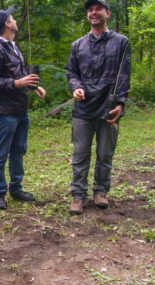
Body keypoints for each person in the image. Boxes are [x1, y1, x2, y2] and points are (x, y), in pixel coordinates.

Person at [66, 0, 130, 215]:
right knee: (80, 153)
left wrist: (120, 103)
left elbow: (124, 74)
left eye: (98, 9)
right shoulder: (78, 45)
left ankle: (101, 192)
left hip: (109, 107)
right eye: (90, 10)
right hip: (83, 109)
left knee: (105, 153)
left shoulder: (121, 42)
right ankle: (78, 195)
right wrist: (76, 87)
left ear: (107, 13)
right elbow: (72, 72)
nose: (93, 13)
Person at [0, 6, 46, 210]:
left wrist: (33, 86)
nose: (15, 20)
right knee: (1, 153)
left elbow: (18, 75)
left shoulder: (13, 47)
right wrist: (18, 83)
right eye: (12, 18)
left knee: (19, 150)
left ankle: (16, 188)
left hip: (20, 109)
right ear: (7, 24)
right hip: (4, 111)